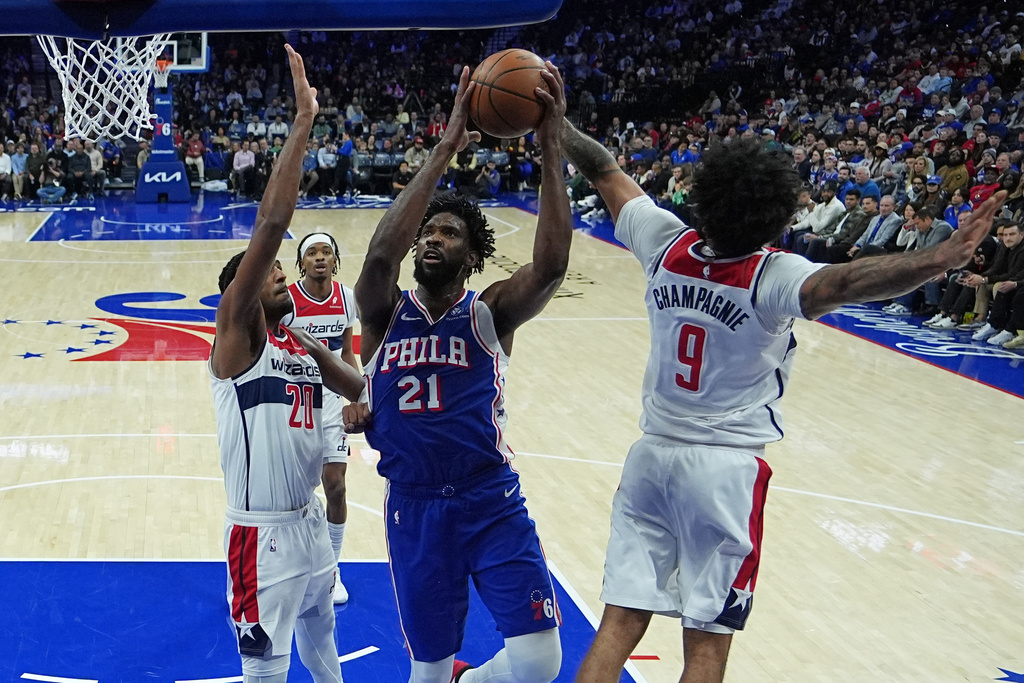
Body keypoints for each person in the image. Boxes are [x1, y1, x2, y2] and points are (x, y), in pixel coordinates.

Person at [557, 125, 1007, 683]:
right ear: (776, 212)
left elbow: (604, 170)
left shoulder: (664, 244)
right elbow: (851, 281)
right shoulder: (773, 274)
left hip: (650, 459)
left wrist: (557, 123)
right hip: (724, 473)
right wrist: (940, 257)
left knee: (620, 622)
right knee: (706, 643)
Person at [352, 63, 569, 683]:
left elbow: (550, 265)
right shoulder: (383, 310)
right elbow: (378, 255)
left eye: (448, 233)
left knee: (538, 663)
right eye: (428, 231)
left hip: (489, 499)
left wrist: (551, 142)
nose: (432, 239)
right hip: (414, 507)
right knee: (426, 671)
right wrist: (446, 147)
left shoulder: (491, 311)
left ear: (472, 256)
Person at [209, 45, 365, 683]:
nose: (279, 275)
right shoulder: (236, 346)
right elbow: (272, 222)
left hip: (306, 525)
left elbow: (356, 384)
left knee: (323, 652)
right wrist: (302, 124)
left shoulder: (296, 343)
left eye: (280, 273)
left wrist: (309, 336)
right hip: (261, 535)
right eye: (270, 272)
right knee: (266, 673)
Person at [278, 231, 360, 605]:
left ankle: (330, 569)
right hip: (295, 398)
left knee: (336, 486)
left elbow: (347, 353)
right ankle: (286, 564)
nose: (320, 257)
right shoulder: (287, 301)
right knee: (292, 491)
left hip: (331, 402)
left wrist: (359, 394)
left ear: (335, 259)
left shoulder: (346, 298)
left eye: (327, 251)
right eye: (312, 252)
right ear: (302, 263)